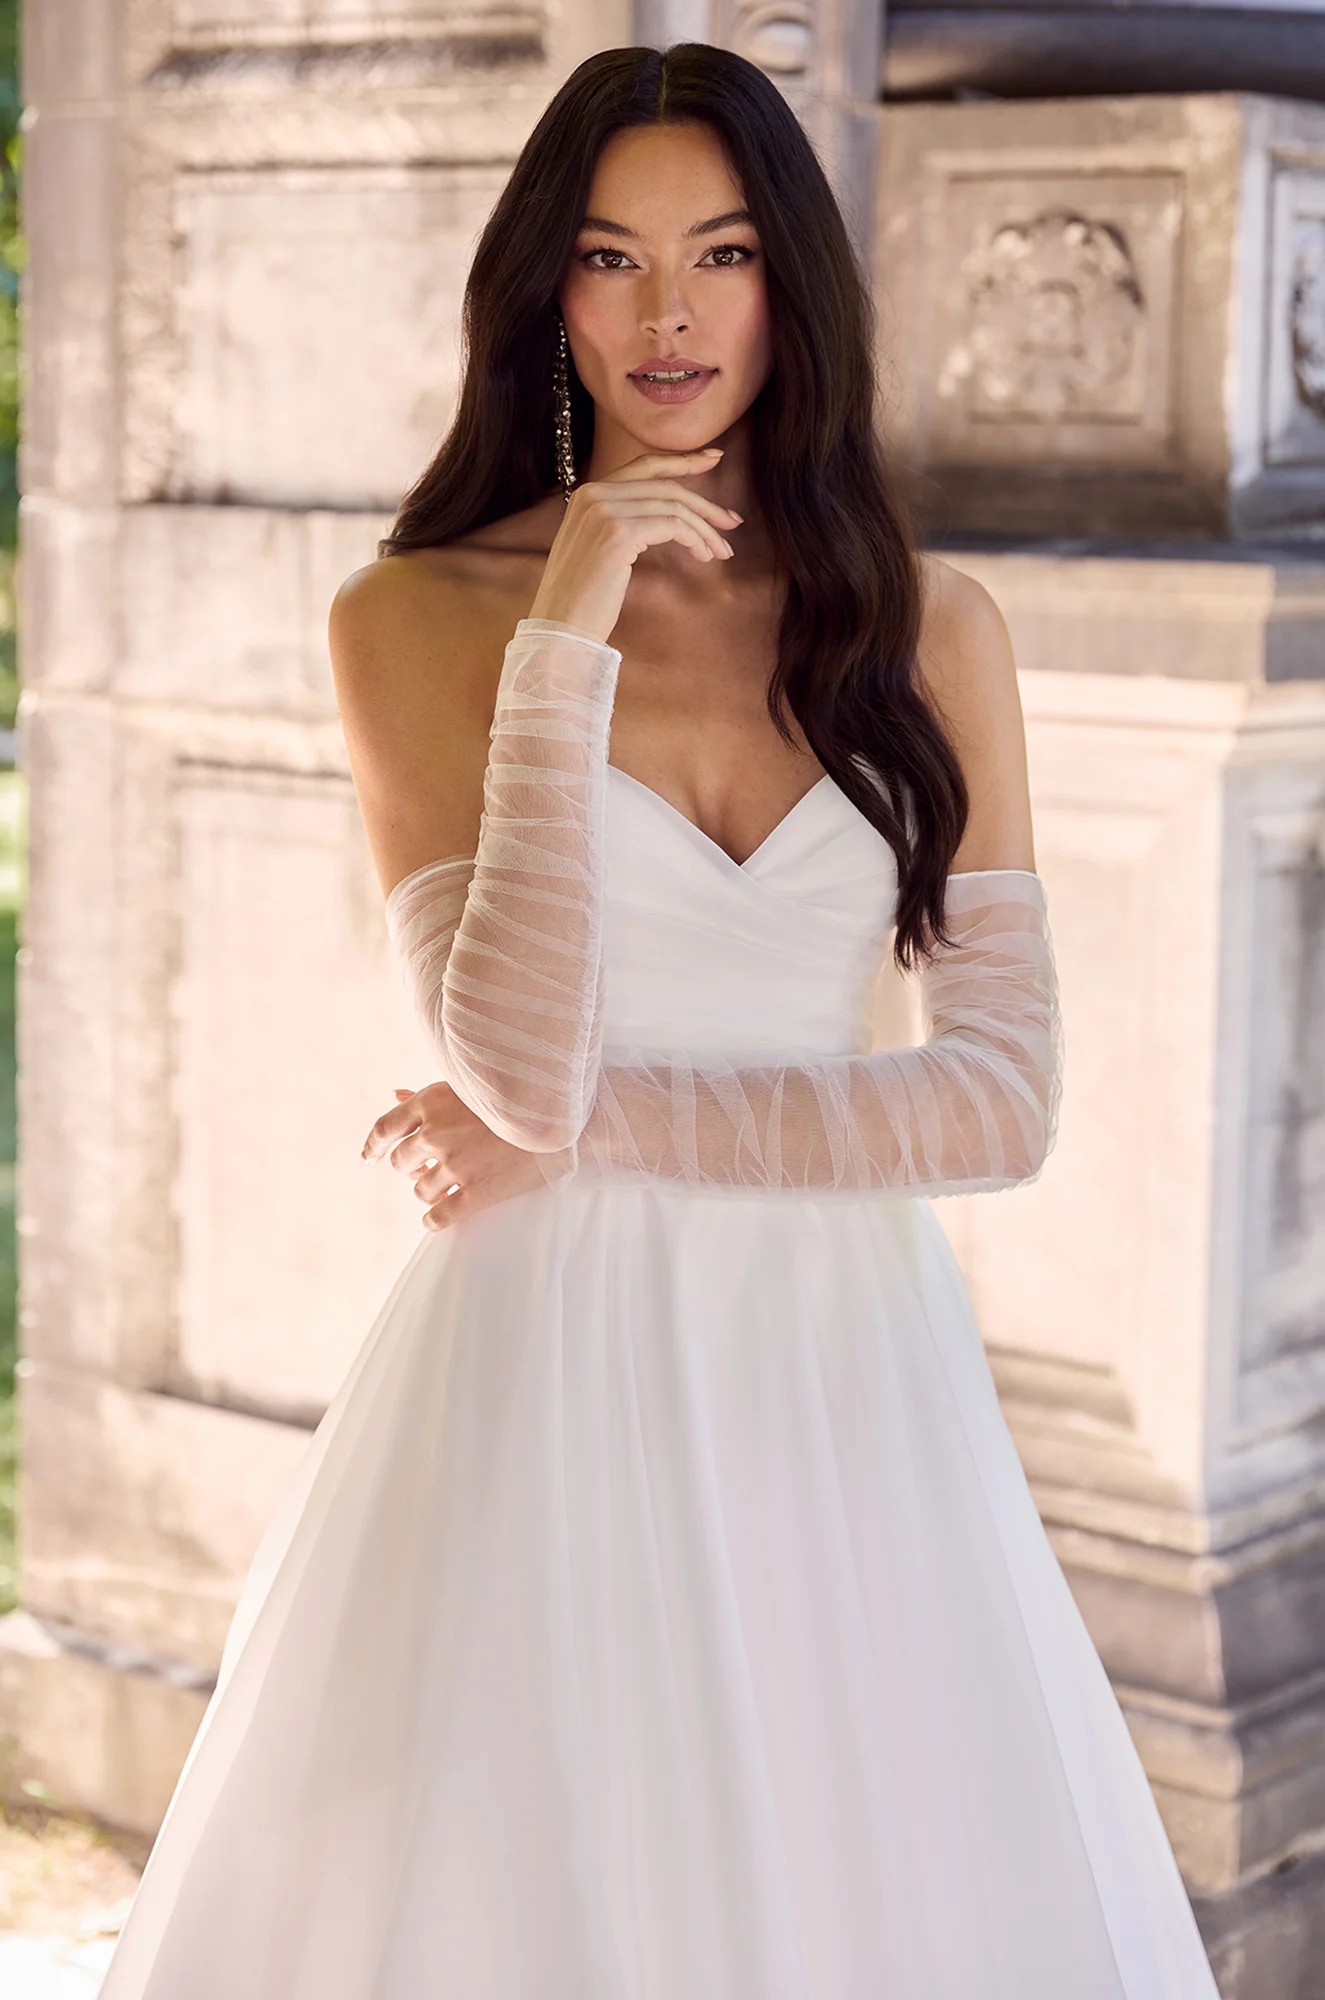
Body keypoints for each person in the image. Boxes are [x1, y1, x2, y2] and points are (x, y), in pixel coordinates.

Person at [99, 43, 1221, 1998]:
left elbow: (999, 1101)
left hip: (844, 1378)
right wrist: (565, 638)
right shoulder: (414, 620)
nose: (669, 312)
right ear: (547, 293)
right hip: (538, 1373)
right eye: (611, 261)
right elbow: (512, 1060)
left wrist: (576, 1124)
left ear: (790, 287)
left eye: (718, 253)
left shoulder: (926, 631)